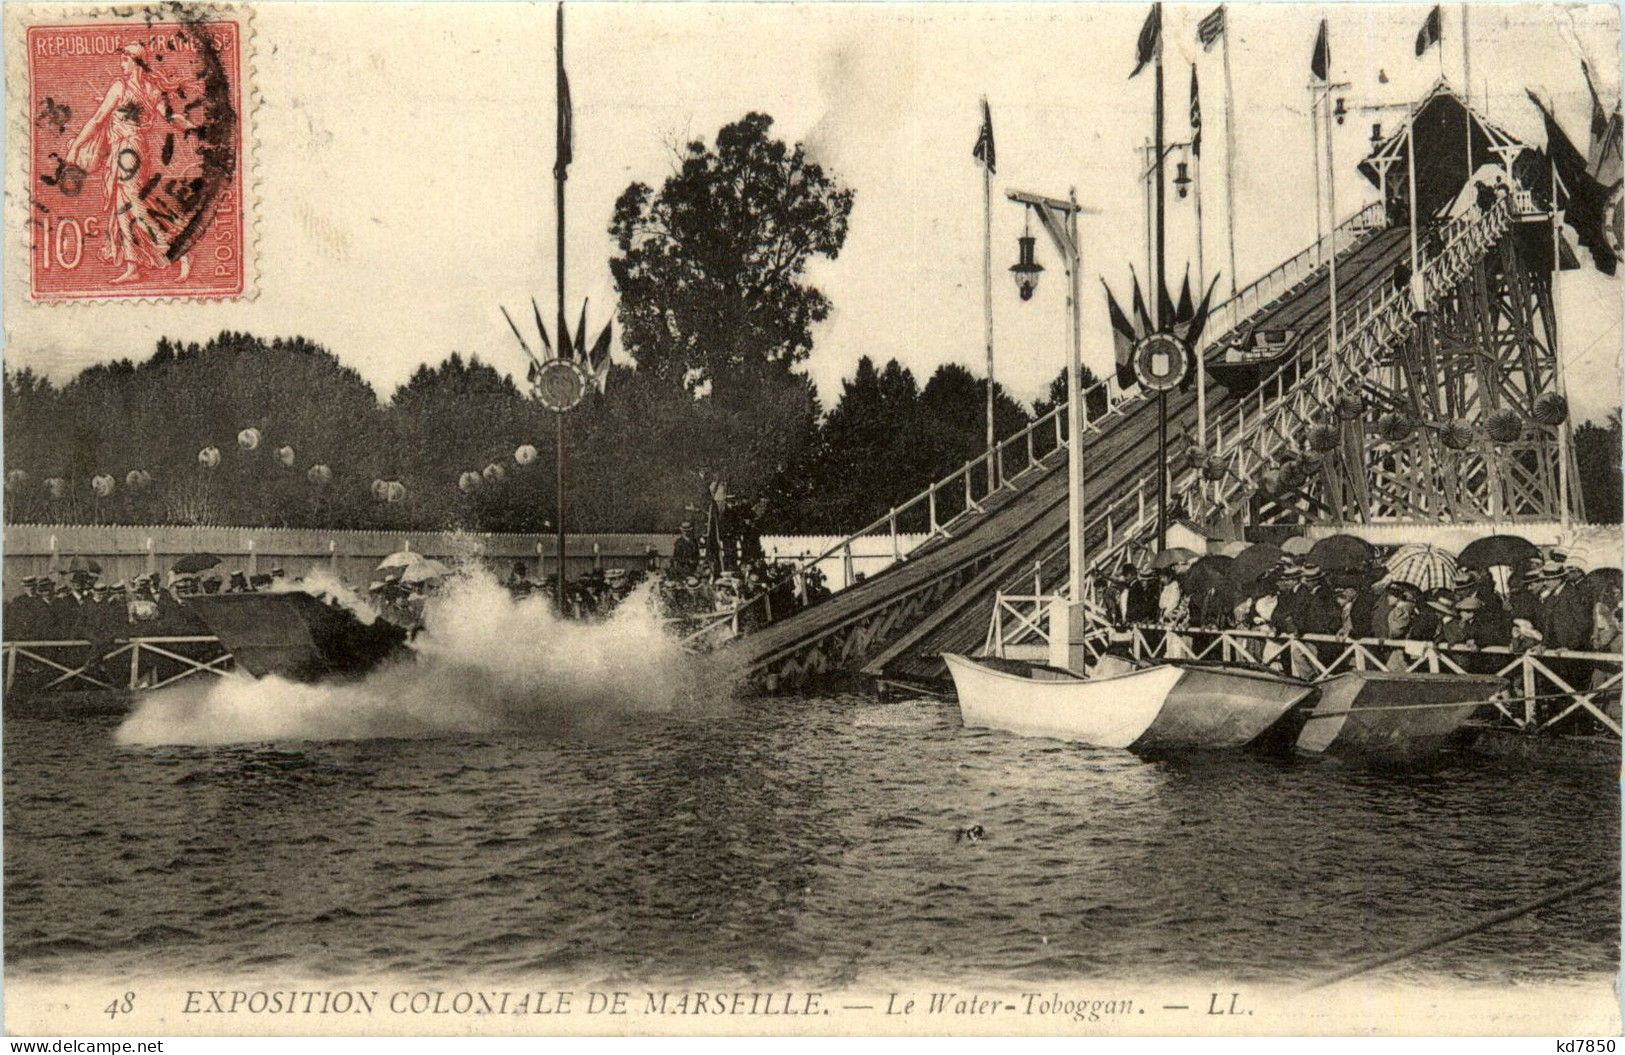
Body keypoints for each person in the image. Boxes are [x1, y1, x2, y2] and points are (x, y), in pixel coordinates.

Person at [60, 44, 198, 285]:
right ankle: (133, 265)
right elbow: (172, 118)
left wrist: (75, 147)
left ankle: (180, 251)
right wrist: (191, 126)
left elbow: (96, 120)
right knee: (125, 208)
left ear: (135, 62)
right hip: (133, 151)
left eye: (124, 60)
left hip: (127, 152)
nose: (121, 64)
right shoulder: (152, 90)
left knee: (133, 206)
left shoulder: (120, 87)